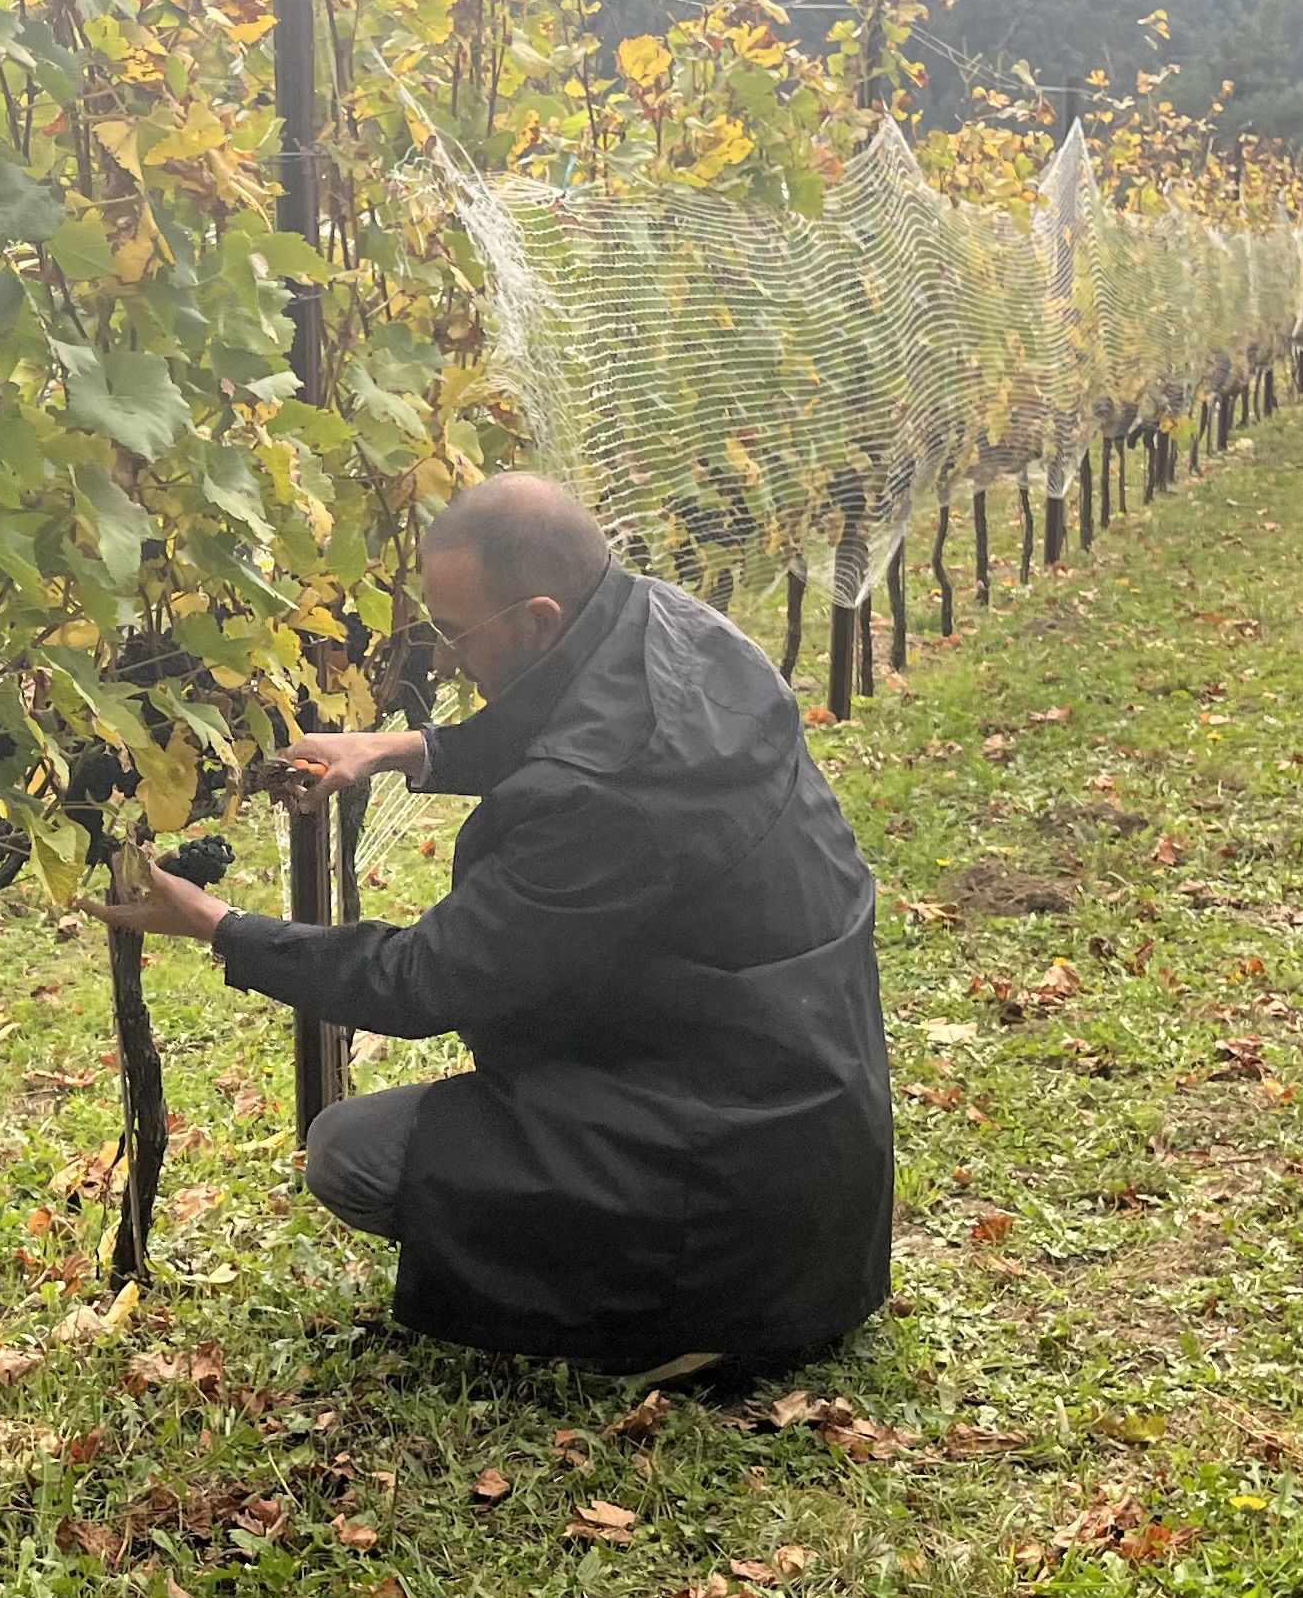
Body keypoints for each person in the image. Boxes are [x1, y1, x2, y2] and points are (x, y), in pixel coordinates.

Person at [95, 473, 896, 1381]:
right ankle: (718, 1278)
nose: (440, 659)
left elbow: (424, 981)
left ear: (538, 619)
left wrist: (216, 924)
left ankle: (689, 1319)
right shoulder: (678, 631)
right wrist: (399, 749)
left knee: (352, 1154)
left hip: (736, 1168)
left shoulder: (604, 799)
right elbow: (567, 724)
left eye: (453, 632)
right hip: (807, 1117)